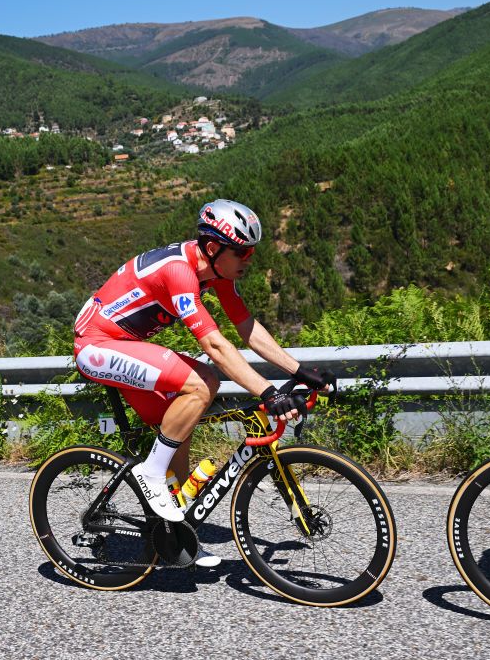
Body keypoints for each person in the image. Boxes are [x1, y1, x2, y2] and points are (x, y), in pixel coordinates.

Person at [72, 199, 333, 566]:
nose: (249, 259)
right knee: (202, 382)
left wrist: (298, 369)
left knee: (181, 419)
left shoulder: (217, 273)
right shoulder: (180, 271)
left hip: (126, 345)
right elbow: (214, 344)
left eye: (252, 251)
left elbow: (246, 328)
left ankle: (180, 533)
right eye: (242, 251)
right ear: (213, 248)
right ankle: (150, 473)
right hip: (97, 345)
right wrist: (268, 392)